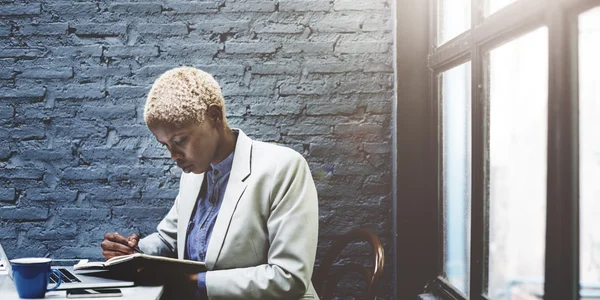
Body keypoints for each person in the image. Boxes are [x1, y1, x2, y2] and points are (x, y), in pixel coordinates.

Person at [100, 67, 320, 299]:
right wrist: (132, 251)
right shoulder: (193, 174)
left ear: (214, 116)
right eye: (165, 145)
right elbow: (169, 239)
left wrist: (193, 282)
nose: (173, 155)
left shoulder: (283, 167)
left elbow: (289, 278)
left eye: (180, 141)